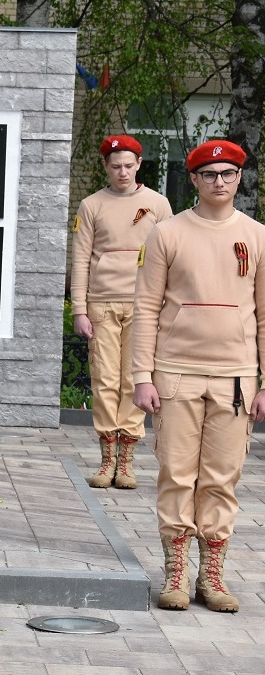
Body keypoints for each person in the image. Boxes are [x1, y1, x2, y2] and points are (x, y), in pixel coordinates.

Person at [131, 139, 264, 613]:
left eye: (228, 174)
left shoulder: (257, 235)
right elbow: (146, 309)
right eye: (209, 174)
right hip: (175, 374)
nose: (219, 182)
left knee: (221, 479)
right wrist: (142, 375)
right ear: (193, 179)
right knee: (176, 475)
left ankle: (212, 575)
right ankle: (176, 572)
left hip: (236, 379)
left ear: (239, 177)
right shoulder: (167, 233)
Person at [71, 135, 172, 490]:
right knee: (104, 379)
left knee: (135, 379)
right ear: (105, 166)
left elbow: (171, 258)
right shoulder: (91, 205)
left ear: (140, 164)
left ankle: (126, 459)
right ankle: (107, 459)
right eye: (115, 166)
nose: (123, 172)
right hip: (102, 304)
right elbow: (81, 259)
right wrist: (79, 309)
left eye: (129, 165)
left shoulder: (158, 204)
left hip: (145, 304)